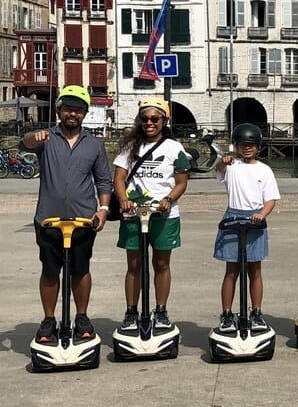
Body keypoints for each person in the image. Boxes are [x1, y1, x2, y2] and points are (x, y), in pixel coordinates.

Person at [21, 85, 112, 342]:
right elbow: (25, 144)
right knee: (50, 271)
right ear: (59, 110)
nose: (73, 113)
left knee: (81, 270)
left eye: (78, 109)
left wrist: (103, 209)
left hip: (83, 220)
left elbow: (103, 180)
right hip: (48, 219)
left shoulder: (94, 145)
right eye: (68, 108)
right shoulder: (46, 138)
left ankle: (81, 317)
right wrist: (32, 137)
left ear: (84, 113)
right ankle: (49, 320)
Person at [113, 98, 191, 330]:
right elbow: (118, 178)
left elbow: (181, 182)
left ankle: (161, 310)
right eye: (145, 119)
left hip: (163, 216)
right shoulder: (130, 147)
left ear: (164, 121)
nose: (149, 123)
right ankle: (130, 311)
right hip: (133, 214)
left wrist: (169, 199)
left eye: (155, 119)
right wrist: (124, 200)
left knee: (161, 264)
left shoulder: (174, 149)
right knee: (134, 265)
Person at [214, 123, 280, 331]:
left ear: (258, 147)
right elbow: (219, 169)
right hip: (233, 216)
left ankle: (257, 312)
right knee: (231, 270)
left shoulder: (265, 170)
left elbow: (270, 199)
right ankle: (226, 314)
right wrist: (222, 162)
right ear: (237, 146)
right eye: (243, 145)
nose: (247, 148)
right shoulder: (232, 166)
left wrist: (261, 214)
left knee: (255, 269)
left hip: (255, 219)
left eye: (251, 145)